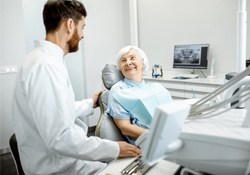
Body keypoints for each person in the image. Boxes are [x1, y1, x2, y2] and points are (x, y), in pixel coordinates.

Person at [12, 1, 142, 174]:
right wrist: (115, 149)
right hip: (59, 169)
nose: (82, 35)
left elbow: (55, 112)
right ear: (70, 24)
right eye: (83, 27)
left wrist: (90, 103)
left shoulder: (40, 60)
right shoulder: (45, 67)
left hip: (68, 161)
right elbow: (61, 137)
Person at [106, 46, 173, 144]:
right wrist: (157, 136)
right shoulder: (118, 90)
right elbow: (125, 128)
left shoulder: (157, 87)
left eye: (132, 58)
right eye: (123, 61)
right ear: (120, 68)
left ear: (143, 62)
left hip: (171, 134)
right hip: (149, 142)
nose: (128, 63)